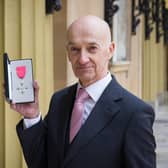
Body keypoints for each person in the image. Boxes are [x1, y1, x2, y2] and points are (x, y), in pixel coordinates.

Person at [9, 15, 156, 168]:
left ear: (110, 50)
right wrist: (31, 116)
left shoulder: (134, 113)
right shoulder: (59, 101)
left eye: (92, 48)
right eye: (75, 49)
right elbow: (41, 163)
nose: (82, 59)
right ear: (68, 53)